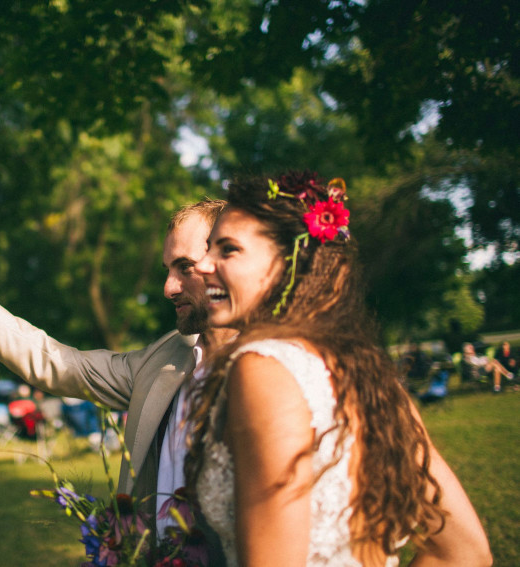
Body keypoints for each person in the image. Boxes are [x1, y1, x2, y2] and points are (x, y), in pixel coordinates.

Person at [183, 172, 491, 566]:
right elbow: (464, 552)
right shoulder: (365, 372)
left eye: (227, 250)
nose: (203, 264)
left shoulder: (263, 369)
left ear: (289, 265)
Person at [0, 200, 235, 528]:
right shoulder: (164, 356)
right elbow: (58, 364)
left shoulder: (273, 368)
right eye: (167, 270)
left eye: (185, 267)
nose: (168, 288)